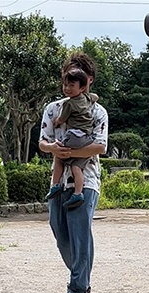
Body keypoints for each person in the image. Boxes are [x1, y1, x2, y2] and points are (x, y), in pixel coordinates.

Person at [39, 52, 108, 293]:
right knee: (60, 232)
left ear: (87, 81)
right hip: (59, 181)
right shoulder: (53, 108)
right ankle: (83, 275)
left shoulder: (98, 111)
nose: (68, 83)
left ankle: (77, 288)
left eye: (75, 78)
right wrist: (52, 150)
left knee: (80, 234)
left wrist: (69, 154)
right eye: (66, 77)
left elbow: (100, 147)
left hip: (86, 180)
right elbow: (43, 142)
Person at [46, 67, 98, 209]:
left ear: (82, 87)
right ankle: (78, 193)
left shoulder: (68, 103)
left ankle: (55, 185)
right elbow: (96, 97)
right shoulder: (88, 98)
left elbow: (62, 119)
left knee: (58, 156)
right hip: (86, 138)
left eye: (71, 86)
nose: (67, 89)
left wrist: (56, 122)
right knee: (76, 167)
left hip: (74, 135)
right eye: (65, 85)